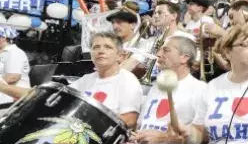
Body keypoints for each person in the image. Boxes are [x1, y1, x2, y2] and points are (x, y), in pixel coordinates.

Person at [97, 36, 206, 144]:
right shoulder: (156, 86)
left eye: (166, 50)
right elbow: (142, 125)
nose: (159, 54)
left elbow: (203, 136)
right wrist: (133, 138)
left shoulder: (200, 89)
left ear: (184, 58)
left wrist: (162, 138)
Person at [0, 32, 142, 128]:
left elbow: (130, 119)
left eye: (108, 47)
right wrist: (4, 88)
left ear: (120, 56)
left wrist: (89, 124)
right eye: (96, 47)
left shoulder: (127, 80)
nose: (101, 51)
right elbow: (45, 94)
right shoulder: (87, 80)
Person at [0, 26, 29, 105]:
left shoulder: (14, 52)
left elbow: (13, 77)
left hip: (13, 95)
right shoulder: (3, 53)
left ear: (3, 38)